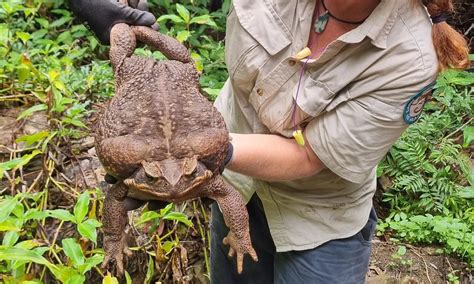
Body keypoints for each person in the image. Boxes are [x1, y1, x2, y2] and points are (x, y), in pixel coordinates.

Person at [70, 0, 469, 282]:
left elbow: (311, 156)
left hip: (316, 214)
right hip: (232, 187)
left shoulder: (410, 57)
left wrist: (205, 155)